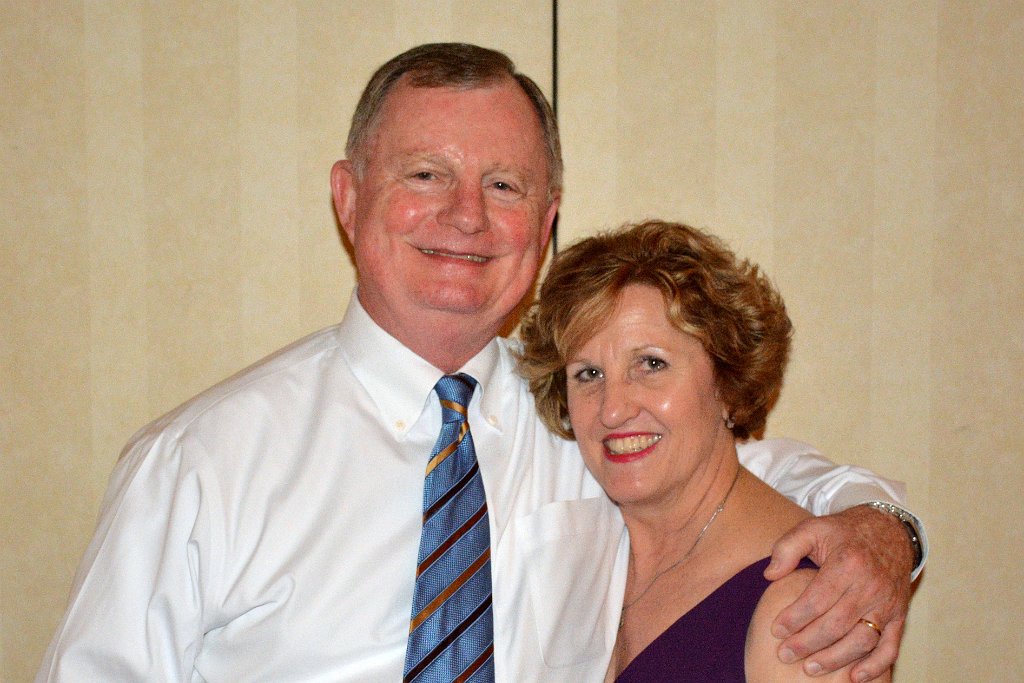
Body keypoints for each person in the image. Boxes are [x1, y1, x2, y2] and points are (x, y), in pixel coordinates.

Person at [37, 43, 922, 682]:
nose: (465, 216)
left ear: (545, 221)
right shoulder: (200, 465)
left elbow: (748, 479)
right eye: (425, 174)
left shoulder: (584, 419)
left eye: (504, 184)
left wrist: (884, 531)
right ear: (348, 198)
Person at [517, 220, 904, 681]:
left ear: (727, 384)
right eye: (589, 374)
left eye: (651, 364)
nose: (613, 409)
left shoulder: (809, 611)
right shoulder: (586, 558)